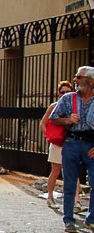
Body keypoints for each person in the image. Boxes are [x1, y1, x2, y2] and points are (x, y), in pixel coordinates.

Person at [49, 66, 94, 233]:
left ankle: (91, 220)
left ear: (90, 81)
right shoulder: (68, 99)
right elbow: (53, 118)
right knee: (69, 182)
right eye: (75, 76)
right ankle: (68, 219)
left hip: (91, 145)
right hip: (72, 143)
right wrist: (68, 120)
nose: (75, 80)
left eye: (79, 77)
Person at [40, 80, 80, 209]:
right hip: (57, 143)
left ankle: (76, 201)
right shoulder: (54, 106)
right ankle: (50, 197)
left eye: (68, 92)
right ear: (58, 93)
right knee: (56, 170)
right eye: (62, 92)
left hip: (71, 142)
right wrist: (50, 136)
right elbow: (43, 123)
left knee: (74, 172)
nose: (65, 94)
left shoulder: (77, 107)